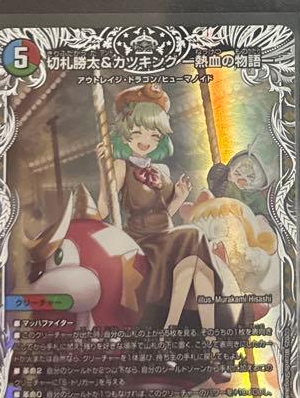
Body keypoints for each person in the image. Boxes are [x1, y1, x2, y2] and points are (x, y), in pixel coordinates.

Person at [100, 84, 239, 379]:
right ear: (125, 132)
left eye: (154, 135)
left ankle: (187, 344)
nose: (146, 140)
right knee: (193, 237)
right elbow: (102, 210)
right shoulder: (120, 167)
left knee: (195, 269)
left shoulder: (161, 171)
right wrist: (104, 172)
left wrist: (179, 197)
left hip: (168, 236)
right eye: (138, 132)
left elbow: (164, 213)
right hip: (144, 243)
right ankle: (197, 348)